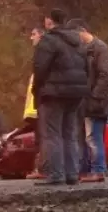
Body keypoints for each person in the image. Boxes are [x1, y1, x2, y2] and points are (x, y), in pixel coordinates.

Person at [32, 13, 89, 186]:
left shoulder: (48, 41)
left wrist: (38, 90)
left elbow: (40, 68)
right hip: (75, 93)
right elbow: (86, 66)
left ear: (49, 21)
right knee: (70, 134)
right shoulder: (78, 41)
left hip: (54, 92)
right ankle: (72, 174)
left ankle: (56, 174)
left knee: (52, 135)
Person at [78, 23, 108, 182]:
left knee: (93, 137)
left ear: (83, 31)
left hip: (98, 102)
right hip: (89, 101)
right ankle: (91, 169)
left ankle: (98, 170)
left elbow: (106, 75)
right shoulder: (87, 49)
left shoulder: (100, 48)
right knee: (89, 137)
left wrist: (94, 97)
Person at [22, 26, 45, 179]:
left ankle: (42, 169)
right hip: (35, 109)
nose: (31, 38)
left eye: (33, 34)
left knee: (43, 140)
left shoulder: (44, 54)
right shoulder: (39, 55)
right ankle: (41, 169)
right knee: (39, 140)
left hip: (41, 108)